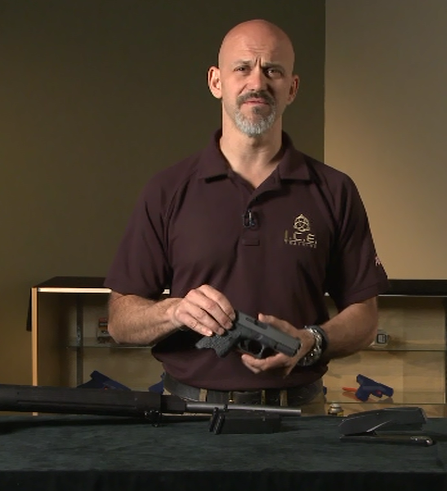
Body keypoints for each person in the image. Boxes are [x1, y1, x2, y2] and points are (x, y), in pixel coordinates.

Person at [104, 19, 389, 415]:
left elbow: (364, 317)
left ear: (291, 88)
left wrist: (312, 340)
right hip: (188, 416)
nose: (257, 82)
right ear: (216, 81)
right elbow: (120, 321)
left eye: (273, 70)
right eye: (243, 68)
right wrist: (173, 310)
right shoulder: (167, 189)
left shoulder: (334, 190)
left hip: (302, 416)